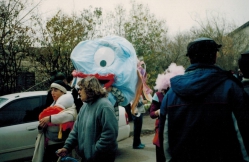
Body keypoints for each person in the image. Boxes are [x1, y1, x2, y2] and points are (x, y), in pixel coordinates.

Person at [160, 37, 249, 162]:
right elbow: (244, 133)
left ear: (189, 59)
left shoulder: (171, 94)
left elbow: (165, 139)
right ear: (215, 56)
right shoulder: (232, 88)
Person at [56, 76, 118, 162]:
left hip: (101, 158)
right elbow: (76, 131)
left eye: (81, 89)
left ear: (90, 89)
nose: (79, 92)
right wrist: (66, 147)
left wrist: (95, 151)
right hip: (87, 157)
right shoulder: (84, 106)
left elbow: (110, 134)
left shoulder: (104, 106)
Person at [32, 80, 77, 162]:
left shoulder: (70, 105)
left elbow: (69, 116)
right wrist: (41, 127)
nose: (52, 93)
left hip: (60, 145)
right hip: (48, 144)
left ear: (63, 92)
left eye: (55, 90)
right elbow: (43, 125)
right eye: (51, 90)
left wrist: (50, 118)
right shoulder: (52, 104)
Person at [150, 63, 184, 162]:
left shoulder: (179, 92)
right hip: (161, 128)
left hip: (177, 128)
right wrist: (159, 112)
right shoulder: (158, 95)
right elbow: (151, 114)